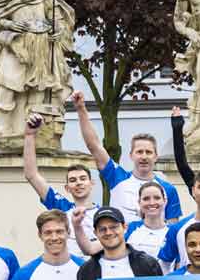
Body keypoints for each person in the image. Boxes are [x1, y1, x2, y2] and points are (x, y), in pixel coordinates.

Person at [73, 91, 181, 224]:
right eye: (139, 152)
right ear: (131, 155)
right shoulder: (117, 177)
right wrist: (81, 109)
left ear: (156, 156)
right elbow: (94, 146)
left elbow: (173, 229)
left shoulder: (168, 189)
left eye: (148, 152)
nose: (144, 157)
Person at [22, 113, 96, 257]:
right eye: (73, 180)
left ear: (91, 183)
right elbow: (31, 175)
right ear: (67, 188)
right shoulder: (61, 208)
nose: (79, 183)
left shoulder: (104, 213)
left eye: (82, 178)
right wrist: (29, 136)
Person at [124, 180, 174, 264]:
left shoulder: (174, 232)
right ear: (139, 202)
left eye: (157, 198)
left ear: (165, 201)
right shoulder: (130, 229)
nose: (152, 203)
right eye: (146, 199)